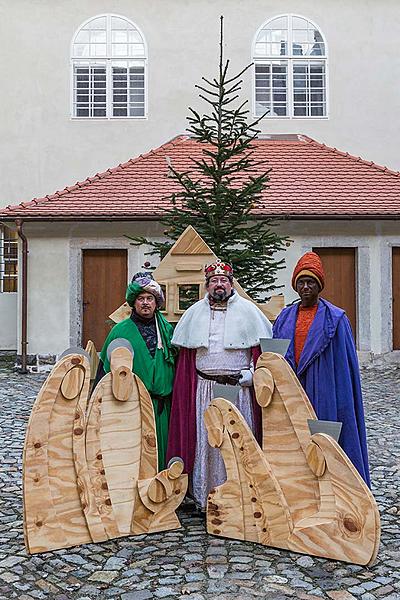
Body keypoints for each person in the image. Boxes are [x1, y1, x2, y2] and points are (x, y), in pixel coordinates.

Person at [166, 259, 273, 509]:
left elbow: (260, 354)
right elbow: (187, 359)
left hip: (239, 391)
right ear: (207, 286)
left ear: (231, 283)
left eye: (223, 280)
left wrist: (251, 375)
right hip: (204, 390)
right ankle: (207, 498)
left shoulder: (249, 311)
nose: (219, 285)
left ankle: (242, 499)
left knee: (238, 441)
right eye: (214, 281)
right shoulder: (194, 313)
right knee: (208, 443)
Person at [273, 252, 370, 486]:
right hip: (293, 388)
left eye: (311, 282)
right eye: (301, 282)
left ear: (319, 285)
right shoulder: (285, 316)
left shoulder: (336, 319)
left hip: (324, 387)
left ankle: (336, 487)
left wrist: (339, 397)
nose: (306, 287)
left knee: (324, 441)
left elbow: (344, 365)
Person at [94, 272, 175, 470]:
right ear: (133, 302)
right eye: (141, 299)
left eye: (150, 298)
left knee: (160, 453)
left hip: (162, 408)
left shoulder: (168, 331)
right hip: (132, 406)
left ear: (156, 303)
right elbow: (104, 369)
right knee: (133, 455)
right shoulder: (120, 331)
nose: (145, 303)